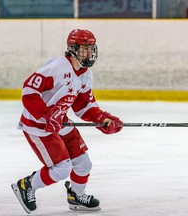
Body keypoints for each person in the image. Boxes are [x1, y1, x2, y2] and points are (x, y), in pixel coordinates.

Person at [11, 29, 123, 214]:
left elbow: (83, 106)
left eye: (90, 49)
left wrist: (102, 119)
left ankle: (76, 196)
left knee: (83, 164)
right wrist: (45, 115)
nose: (88, 53)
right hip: (38, 126)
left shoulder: (85, 74)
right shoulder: (57, 67)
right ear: (72, 49)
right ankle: (26, 185)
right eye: (84, 49)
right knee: (62, 169)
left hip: (60, 122)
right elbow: (29, 91)